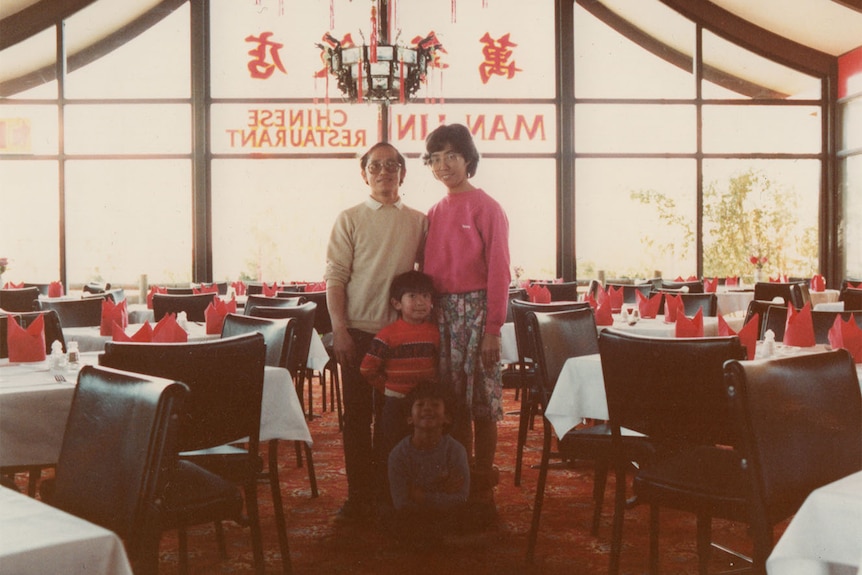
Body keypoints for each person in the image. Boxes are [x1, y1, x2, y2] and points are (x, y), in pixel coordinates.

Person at [325, 142, 428, 522]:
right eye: (375, 166)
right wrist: (340, 330)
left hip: (401, 336)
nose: (384, 171)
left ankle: (389, 493)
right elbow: (335, 277)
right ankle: (358, 496)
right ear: (364, 173)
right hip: (358, 333)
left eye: (392, 165)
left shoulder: (419, 221)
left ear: (403, 172)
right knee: (356, 417)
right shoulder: (349, 218)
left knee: (395, 417)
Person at [421, 123, 511, 521]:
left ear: (468, 159)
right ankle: (457, 477)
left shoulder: (487, 207)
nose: (444, 166)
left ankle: (482, 484)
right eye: (436, 159)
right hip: (441, 315)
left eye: (451, 156)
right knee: (451, 401)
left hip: (477, 314)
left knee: (483, 403)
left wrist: (493, 328)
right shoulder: (434, 212)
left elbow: (500, 272)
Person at [360, 270, 440, 461]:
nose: (420, 302)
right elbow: (367, 369)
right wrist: (387, 388)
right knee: (393, 447)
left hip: (425, 404)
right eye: (412, 296)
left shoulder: (435, 333)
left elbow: (438, 364)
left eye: (426, 296)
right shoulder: (387, 335)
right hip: (396, 402)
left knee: (425, 448)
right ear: (396, 303)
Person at [385, 382, 470, 547]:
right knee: (392, 518)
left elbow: (461, 497)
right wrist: (442, 492)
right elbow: (401, 502)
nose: (427, 408)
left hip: (446, 513)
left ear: (447, 417)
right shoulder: (399, 454)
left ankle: (433, 541)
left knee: (476, 513)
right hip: (415, 515)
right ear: (409, 418)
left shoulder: (455, 450)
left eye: (435, 404)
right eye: (420, 404)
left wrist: (423, 497)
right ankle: (446, 541)